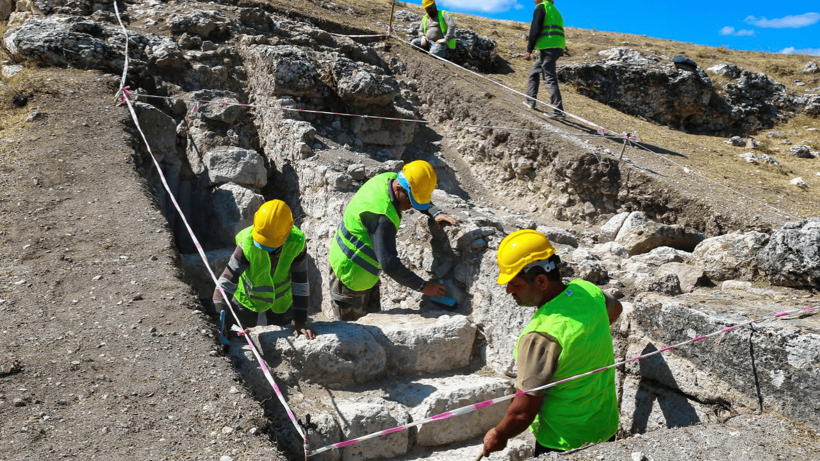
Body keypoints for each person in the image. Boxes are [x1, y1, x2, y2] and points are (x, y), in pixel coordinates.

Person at [482, 229, 622, 456]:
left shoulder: (541, 336)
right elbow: (616, 309)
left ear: (541, 281)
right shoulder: (587, 290)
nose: (508, 290)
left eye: (515, 284)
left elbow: (522, 413)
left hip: (563, 441)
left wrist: (499, 435)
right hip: (604, 427)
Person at [327, 160, 458, 321]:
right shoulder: (381, 217)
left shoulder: (388, 179)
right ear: (398, 191)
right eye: (411, 201)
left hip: (364, 269)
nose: (411, 206)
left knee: (374, 323)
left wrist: (434, 211)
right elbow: (389, 264)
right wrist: (423, 286)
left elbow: (414, 193)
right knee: (353, 333)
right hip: (351, 275)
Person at [213, 199, 316, 343]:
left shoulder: (296, 244)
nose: (265, 248)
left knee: (279, 338)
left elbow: (300, 283)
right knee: (237, 337)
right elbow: (227, 282)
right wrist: (219, 317)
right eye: (262, 243)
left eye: (271, 244)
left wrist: (300, 321)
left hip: (281, 303)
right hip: (247, 299)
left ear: (287, 233)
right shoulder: (248, 243)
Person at [523, 0, 567, 119]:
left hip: (549, 48)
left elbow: (535, 29)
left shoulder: (541, 7)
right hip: (557, 47)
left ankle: (558, 111)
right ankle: (530, 100)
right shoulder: (554, 10)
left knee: (549, 78)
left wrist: (529, 49)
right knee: (534, 70)